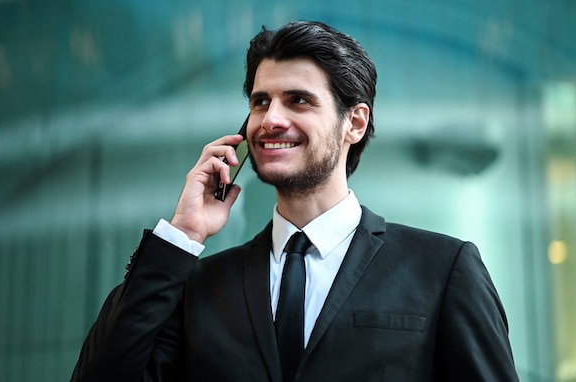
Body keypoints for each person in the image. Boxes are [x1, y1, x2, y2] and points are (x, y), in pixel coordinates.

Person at [71, 21, 519, 381]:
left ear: (355, 123)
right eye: (260, 102)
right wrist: (182, 235)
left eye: (298, 100)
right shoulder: (198, 287)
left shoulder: (443, 269)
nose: (271, 120)